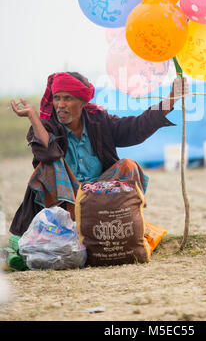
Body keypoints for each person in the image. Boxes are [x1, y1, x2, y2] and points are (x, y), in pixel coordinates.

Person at [9, 71, 188, 236]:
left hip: (99, 195)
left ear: (83, 102)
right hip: (62, 207)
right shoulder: (47, 126)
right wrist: (33, 116)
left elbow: (136, 127)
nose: (60, 105)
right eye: (56, 98)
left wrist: (172, 99)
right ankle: (74, 230)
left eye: (67, 98)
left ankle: (125, 222)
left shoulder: (99, 121)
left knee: (128, 166)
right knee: (51, 165)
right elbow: (47, 154)